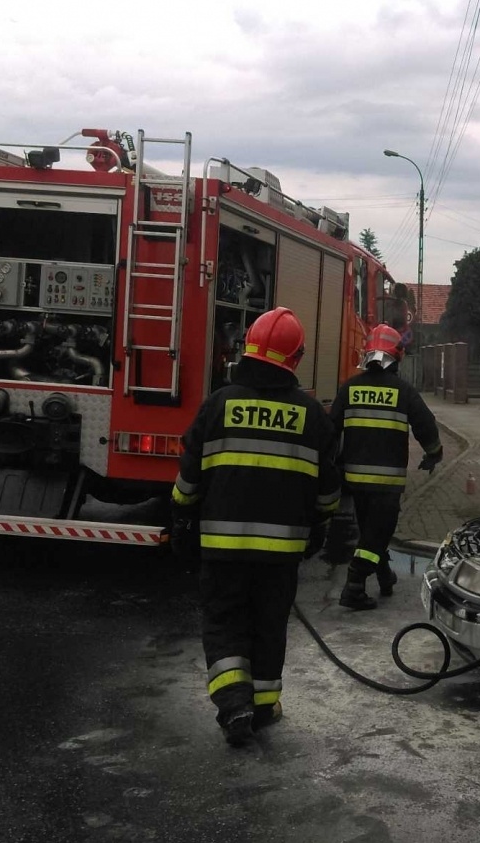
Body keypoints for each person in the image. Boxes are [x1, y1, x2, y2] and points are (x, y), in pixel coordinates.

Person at [170, 307, 341, 747]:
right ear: (295, 358)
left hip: (223, 549)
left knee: (224, 620)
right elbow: (328, 489)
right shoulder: (312, 415)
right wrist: (319, 527)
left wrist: (181, 511)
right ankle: (263, 706)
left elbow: (190, 473)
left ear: (248, 346)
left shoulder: (218, 405)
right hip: (281, 553)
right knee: (269, 625)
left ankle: (234, 704)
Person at [328, 324, 442, 611]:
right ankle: (354, 585)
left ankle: (383, 575)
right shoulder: (403, 391)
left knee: (371, 531)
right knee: (376, 534)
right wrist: (434, 454)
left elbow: (330, 431)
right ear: (397, 354)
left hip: (354, 480)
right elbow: (425, 426)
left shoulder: (349, 388)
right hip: (387, 484)